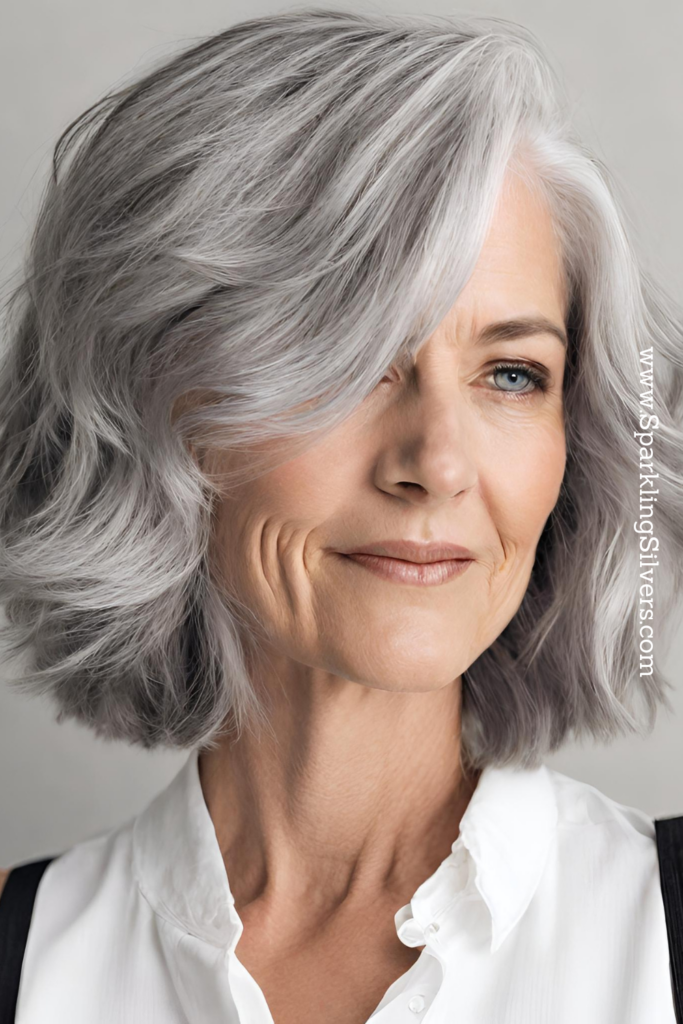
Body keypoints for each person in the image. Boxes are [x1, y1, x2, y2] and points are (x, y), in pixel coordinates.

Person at [0, 9, 682, 1023]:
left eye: (508, 372)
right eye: (353, 362)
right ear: (162, 409)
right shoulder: (27, 959)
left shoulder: (656, 926)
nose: (437, 463)